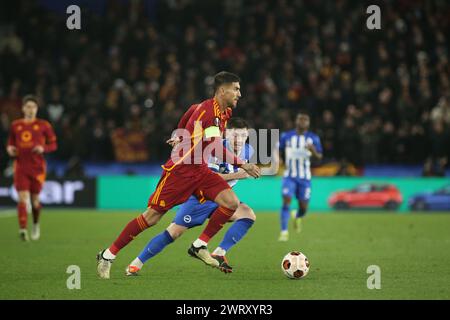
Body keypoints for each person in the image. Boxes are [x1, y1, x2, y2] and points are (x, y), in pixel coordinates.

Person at [96, 71, 260, 279]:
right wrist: (243, 164)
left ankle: (199, 245)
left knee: (230, 202)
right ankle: (108, 255)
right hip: (181, 172)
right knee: (152, 218)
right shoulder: (208, 113)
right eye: (236, 89)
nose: (240, 93)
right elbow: (216, 147)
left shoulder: (222, 112)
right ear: (222, 90)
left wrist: (179, 133)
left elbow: (190, 111)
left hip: (199, 169)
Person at [126, 117, 255, 275]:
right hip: (201, 198)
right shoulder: (216, 150)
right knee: (173, 233)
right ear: (226, 134)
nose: (239, 140)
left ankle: (219, 252)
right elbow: (209, 180)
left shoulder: (249, 151)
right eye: (235, 135)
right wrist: (241, 174)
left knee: (248, 215)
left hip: (223, 200)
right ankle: (136, 263)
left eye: (242, 136)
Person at [6, 95, 57, 241]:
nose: (30, 109)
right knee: (22, 198)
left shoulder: (44, 125)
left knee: (35, 201)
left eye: (33, 107)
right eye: (28, 106)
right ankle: (22, 229)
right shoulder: (16, 125)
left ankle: (35, 223)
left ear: (37, 109)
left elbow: (54, 145)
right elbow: (10, 142)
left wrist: (43, 148)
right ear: (23, 108)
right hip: (21, 166)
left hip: (37, 168)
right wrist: (10, 148)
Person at [275, 111, 322, 241]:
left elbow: (319, 157)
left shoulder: (313, 138)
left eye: (305, 120)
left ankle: (297, 216)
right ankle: (284, 231)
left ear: (308, 123)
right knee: (286, 200)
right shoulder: (287, 136)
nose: (302, 122)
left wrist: (313, 151)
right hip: (289, 176)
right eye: (300, 119)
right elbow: (278, 149)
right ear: (296, 121)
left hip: (305, 178)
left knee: (303, 207)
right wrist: (279, 159)